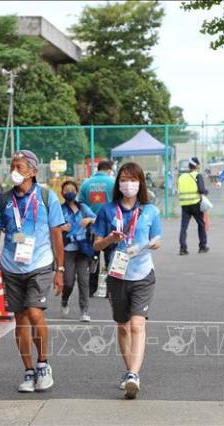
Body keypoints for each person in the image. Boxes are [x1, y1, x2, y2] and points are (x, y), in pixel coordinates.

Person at [0, 149, 66, 393]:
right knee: (19, 319)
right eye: (12, 166)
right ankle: (28, 371)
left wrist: (60, 269)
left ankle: (43, 364)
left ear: (32, 171)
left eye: (19, 167)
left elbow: (57, 235)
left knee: (34, 312)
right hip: (11, 266)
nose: (14, 171)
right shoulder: (2, 200)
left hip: (39, 263)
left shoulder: (46, 196)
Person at [93, 162, 162, 400]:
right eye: (123, 179)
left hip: (143, 274)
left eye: (133, 180)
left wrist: (155, 243)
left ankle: (133, 374)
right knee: (122, 326)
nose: (128, 184)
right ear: (118, 183)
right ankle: (128, 371)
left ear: (140, 182)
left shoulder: (150, 210)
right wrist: (110, 239)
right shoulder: (107, 210)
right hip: (117, 275)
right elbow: (96, 244)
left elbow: (157, 237)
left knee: (136, 325)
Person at [59, 180, 96, 322]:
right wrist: (60, 227)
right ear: (62, 193)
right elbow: (51, 224)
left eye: (72, 190)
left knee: (83, 280)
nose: (70, 192)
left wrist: (89, 220)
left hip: (83, 249)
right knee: (68, 281)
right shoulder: (59, 209)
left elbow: (96, 218)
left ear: (77, 192)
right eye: (66, 190)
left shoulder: (83, 207)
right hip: (67, 249)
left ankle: (84, 311)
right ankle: (64, 299)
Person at [79, 160, 116, 296]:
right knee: (110, 258)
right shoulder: (113, 183)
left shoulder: (86, 183)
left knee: (92, 258)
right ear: (109, 170)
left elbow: (80, 203)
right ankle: (110, 290)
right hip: (109, 225)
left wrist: (90, 215)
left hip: (91, 225)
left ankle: (91, 289)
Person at [178, 157, 209, 255]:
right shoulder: (197, 176)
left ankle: (183, 248)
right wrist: (206, 191)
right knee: (201, 224)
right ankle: (202, 246)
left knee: (184, 227)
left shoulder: (181, 177)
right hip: (196, 204)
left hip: (184, 205)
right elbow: (201, 190)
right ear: (197, 166)